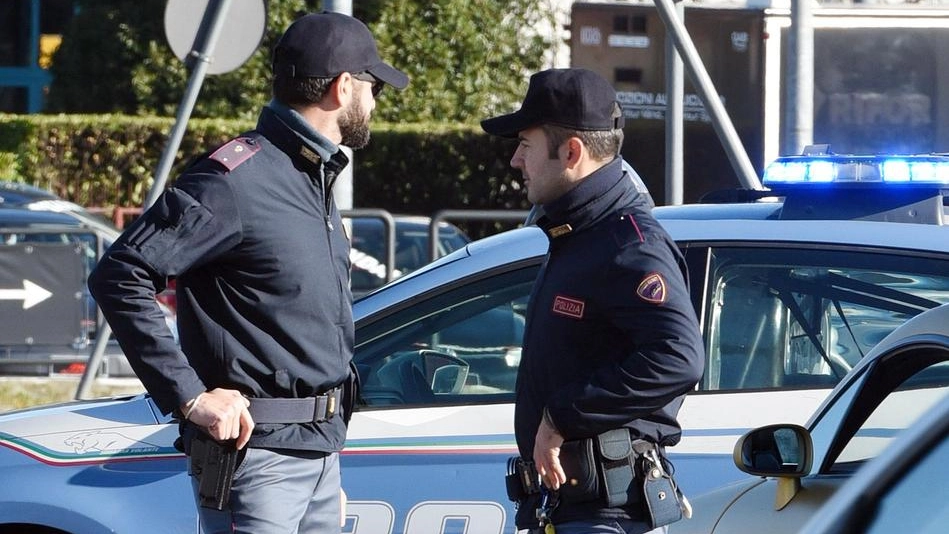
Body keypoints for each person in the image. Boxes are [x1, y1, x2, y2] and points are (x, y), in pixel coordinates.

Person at [88, 12, 407, 534]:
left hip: (318, 454)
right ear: (342, 87)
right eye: (372, 87)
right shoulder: (236, 180)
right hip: (256, 462)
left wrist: (324, 457)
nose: (374, 102)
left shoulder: (311, 177)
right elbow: (120, 275)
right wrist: (190, 396)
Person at [481, 68, 705, 534]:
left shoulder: (627, 244)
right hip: (576, 508)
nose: (516, 162)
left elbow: (678, 358)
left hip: (608, 512)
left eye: (525, 144)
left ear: (572, 152)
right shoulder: (580, 235)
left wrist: (563, 415)